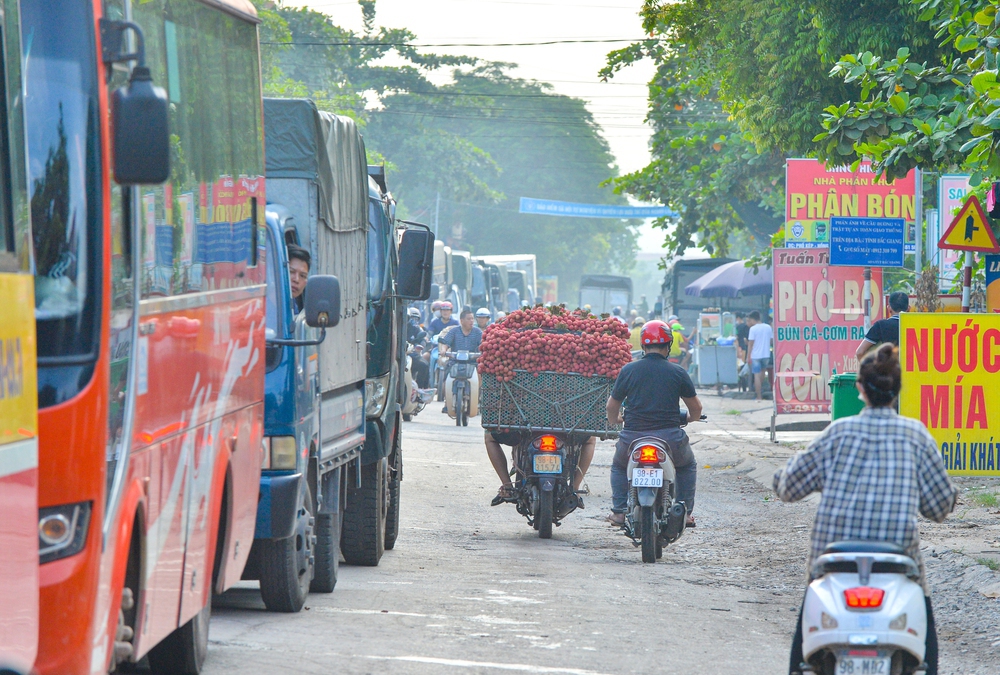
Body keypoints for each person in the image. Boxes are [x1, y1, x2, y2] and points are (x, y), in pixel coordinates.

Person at [773, 345, 956, 675]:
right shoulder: (916, 436)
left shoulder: (837, 433)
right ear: (897, 390)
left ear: (859, 388)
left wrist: (781, 477)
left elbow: (788, 488)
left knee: (804, 645)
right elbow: (941, 507)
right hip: (898, 560)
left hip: (833, 560)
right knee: (925, 634)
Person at [606, 320, 702, 528]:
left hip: (632, 437)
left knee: (619, 466)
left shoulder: (628, 370)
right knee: (687, 466)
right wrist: (690, 418)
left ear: (643, 345)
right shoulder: (677, 372)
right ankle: (684, 513)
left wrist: (615, 420)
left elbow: (611, 407)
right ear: (668, 345)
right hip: (670, 439)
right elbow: (696, 409)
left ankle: (620, 512)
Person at [857, 291, 908, 358]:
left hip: (889, 367)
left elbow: (860, 352)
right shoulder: (917, 325)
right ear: (908, 308)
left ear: (889, 308)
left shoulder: (880, 326)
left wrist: (868, 368)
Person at [745, 310, 773, 402]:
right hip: (766, 355)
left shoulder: (753, 329)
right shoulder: (768, 327)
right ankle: (760, 392)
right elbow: (771, 341)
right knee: (762, 374)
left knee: (757, 376)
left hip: (756, 355)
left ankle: (759, 396)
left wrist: (748, 356)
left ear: (753, 319)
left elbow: (750, 344)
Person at [287, 244, 310, 313]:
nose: (296, 280)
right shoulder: (260, 308)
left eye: (302, 276)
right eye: (291, 272)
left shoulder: (293, 305)